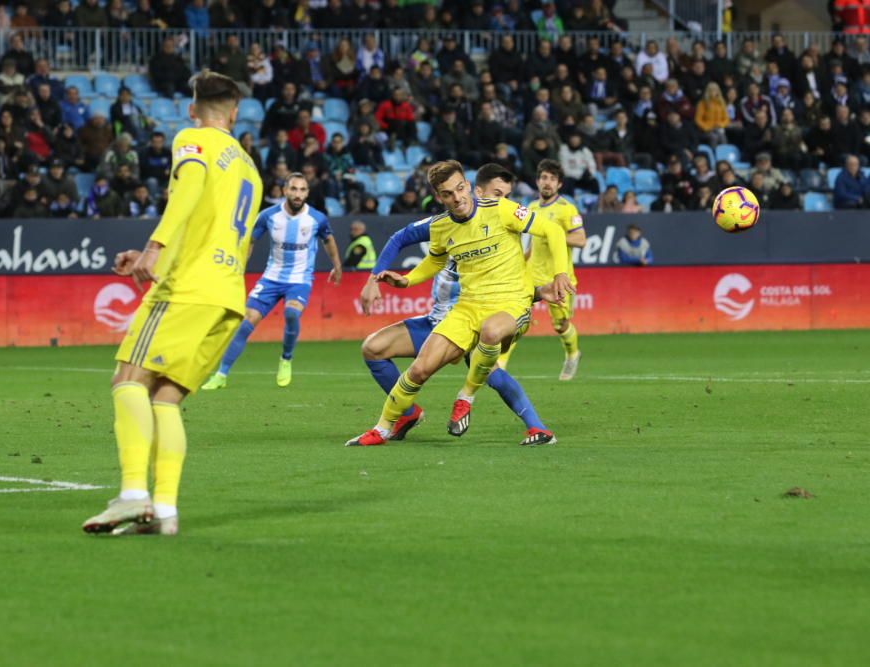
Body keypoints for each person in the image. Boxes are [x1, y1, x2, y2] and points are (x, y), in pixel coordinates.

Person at [82, 73, 263, 537]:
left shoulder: (193, 138)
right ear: (236, 112)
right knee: (166, 397)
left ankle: (131, 496)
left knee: (127, 379)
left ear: (191, 108)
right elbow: (216, 229)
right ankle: (163, 511)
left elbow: (190, 189)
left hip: (187, 289)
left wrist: (156, 244)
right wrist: (153, 254)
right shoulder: (249, 167)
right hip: (226, 295)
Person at [345, 160, 573, 447]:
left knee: (491, 332)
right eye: (448, 194)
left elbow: (552, 231)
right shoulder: (441, 227)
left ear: (468, 185)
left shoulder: (500, 208)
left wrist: (561, 272)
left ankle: (466, 398)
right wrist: (407, 280)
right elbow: (435, 260)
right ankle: (382, 429)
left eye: (460, 188)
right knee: (418, 369)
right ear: (439, 197)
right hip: (467, 307)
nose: (457, 197)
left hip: (512, 303)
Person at [201, 173, 342, 390]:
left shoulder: (316, 218)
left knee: (292, 313)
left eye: (302, 190)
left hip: (299, 279)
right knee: (246, 322)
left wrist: (337, 265)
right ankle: (221, 374)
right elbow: (251, 241)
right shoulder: (268, 216)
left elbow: (329, 240)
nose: (297, 194)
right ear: (285, 190)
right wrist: (240, 266)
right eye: (293, 189)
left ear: (307, 193)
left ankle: (286, 359)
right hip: (271, 278)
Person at [525, 159, 586, 380]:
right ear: (537, 181)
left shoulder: (566, 209)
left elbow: (581, 239)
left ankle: (572, 354)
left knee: (561, 325)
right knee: (513, 318)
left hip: (558, 278)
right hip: (531, 275)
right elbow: (531, 244)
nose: (547, 182)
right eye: (543, 178)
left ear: (559, 184)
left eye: (552, 179)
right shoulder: (530, 208)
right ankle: (499, 365)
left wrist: (555, 235)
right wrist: (521, 262)